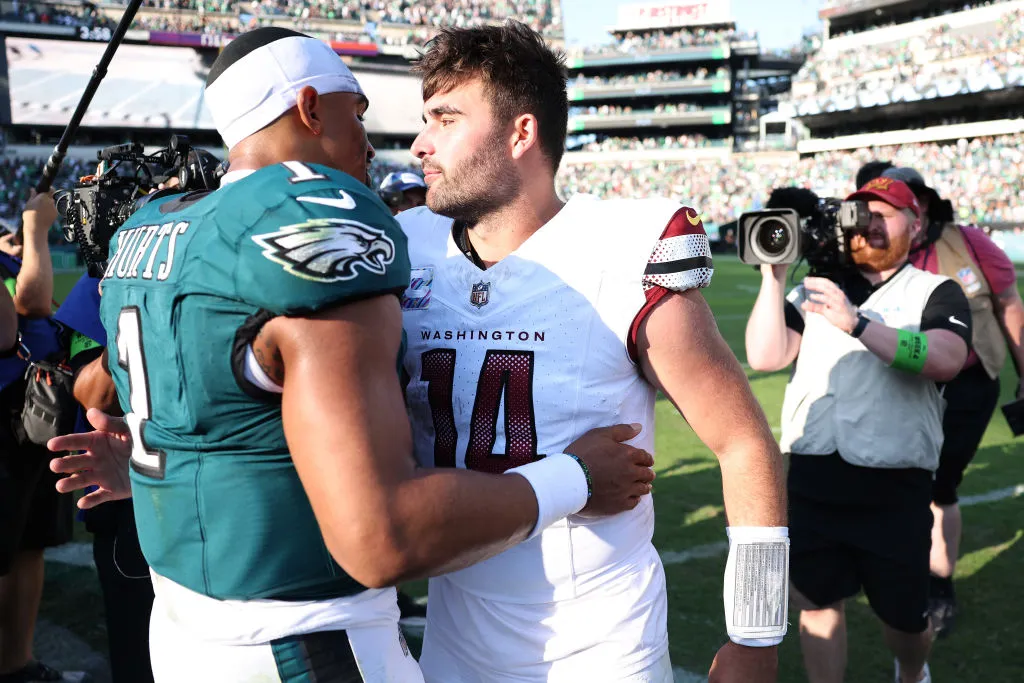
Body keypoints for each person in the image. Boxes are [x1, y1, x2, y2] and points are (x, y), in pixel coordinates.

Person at [47, 27, 654, 683]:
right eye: (356, 114)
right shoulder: (312, 220)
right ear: (310, 109)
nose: (371, 142)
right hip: (305, 638)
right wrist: (576, 478)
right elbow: (380, 538)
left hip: (182, 635)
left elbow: (159, 402)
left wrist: (152, 468)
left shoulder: (152, 230)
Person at [398, 22, 788, 683]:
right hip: (452, 633)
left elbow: (742, 440)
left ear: (520, 134)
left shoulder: (621, 250)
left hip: (599, 643)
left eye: (446, 118)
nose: (420, 143)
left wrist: (757, 632)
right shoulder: (404, 245)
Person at [746, 177, 972, 683]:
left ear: (914, 226)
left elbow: (947, 357)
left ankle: (911, 672)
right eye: (858, 213)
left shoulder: (936, 290)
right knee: (815, 600)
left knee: (904, 617)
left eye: (882, 214)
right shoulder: (817, 287)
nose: (866, 223)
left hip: (892, 481)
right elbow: (765, 355)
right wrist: (774, 280)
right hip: (814, 473)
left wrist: (861, 326)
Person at [880, 165, 1024, 637]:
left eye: (912, 200)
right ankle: (899, 570)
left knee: (941, 484)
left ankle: (940, 586)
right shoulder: (875, 249)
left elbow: (1008, 301)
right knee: (899, 480)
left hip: (968, 383)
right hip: (900, 385)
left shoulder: (967, 242)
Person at [52, 272, 155, 683]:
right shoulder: (100, 278)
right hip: (133, 492)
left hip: (213, 483)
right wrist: (132, 324)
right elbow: (91, 393)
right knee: (139, 645)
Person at [0, 191, 85, 683]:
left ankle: (18, 663)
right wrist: (35, 234)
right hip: (8, 414)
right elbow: (26, 309)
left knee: (28, 544)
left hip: (22, 414)